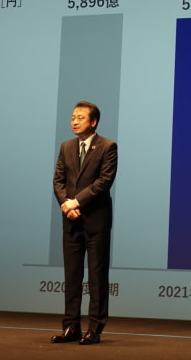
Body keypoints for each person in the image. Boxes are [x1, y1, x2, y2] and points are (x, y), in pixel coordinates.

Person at [50, 101, 118, 345]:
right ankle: (71, 327)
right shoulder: (66, 147)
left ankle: (95, 329)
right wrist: (65, 205)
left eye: (80, 117)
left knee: (97, 277)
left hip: (96, 221)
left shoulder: (107, 147)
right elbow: (58, 180)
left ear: (93, 122)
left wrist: (76, 202)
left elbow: (103, 182)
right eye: (72, 117)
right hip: (71, 221)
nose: (74, 121)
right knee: (72, 276)